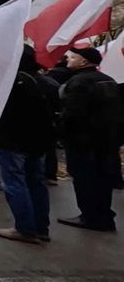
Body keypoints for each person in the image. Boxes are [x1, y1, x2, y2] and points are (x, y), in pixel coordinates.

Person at [0, 45, 52, 244]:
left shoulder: (12, 83)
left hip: (13, 140)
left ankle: (25, 229)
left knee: (15, 183)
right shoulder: (47, 82)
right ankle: (41, 227)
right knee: (37, 182)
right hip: (40, 141)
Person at [57, 47, 121, 232]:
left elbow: (72, 114)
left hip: (83, 141)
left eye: (73, 57)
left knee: (84, 178)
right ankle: (104, 215)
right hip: (106, 141)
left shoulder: (79, 81)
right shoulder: (108, 80)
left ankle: (90, 217)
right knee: (102, 179)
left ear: (84, 61)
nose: (68, 59)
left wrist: (62, 134)